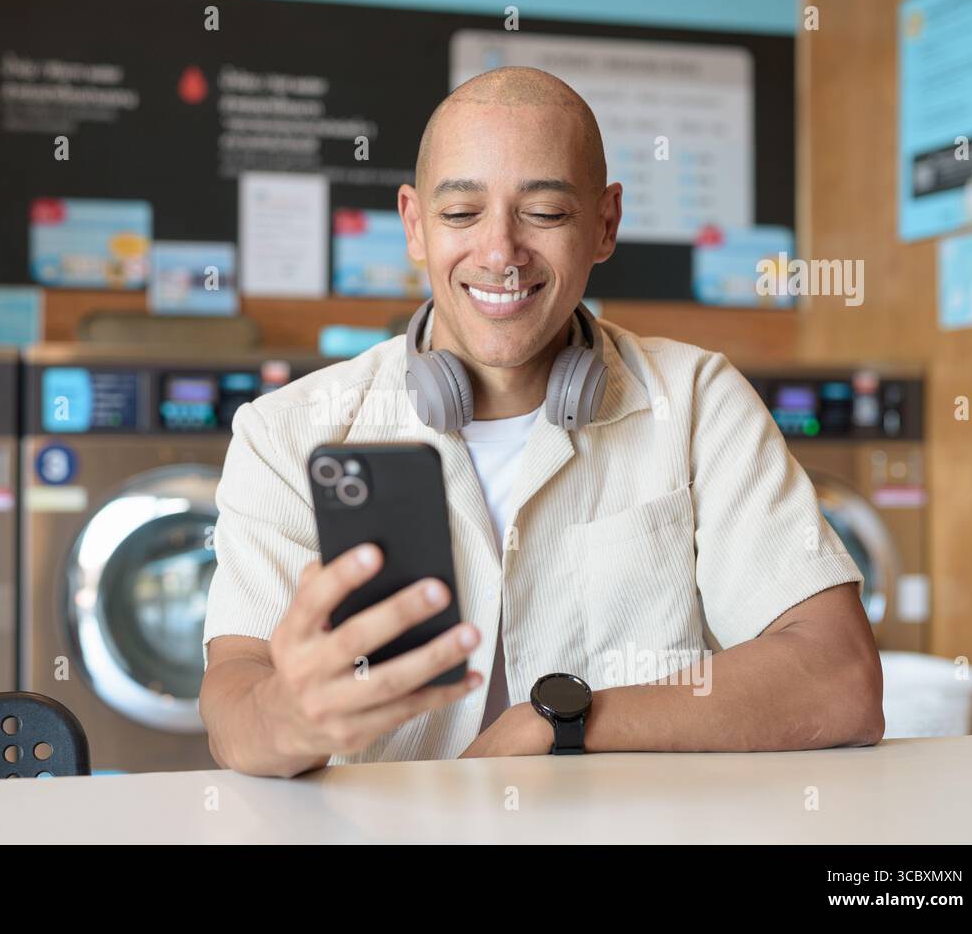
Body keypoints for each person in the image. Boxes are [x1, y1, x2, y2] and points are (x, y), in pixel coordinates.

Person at [200, 67, 883, 777]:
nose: (500, 253)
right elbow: (233, 701)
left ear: (605, 224)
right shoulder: (284, 433)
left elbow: (841, 680)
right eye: (461, 213)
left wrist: (558, 721)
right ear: (414, 225)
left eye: (546, 214)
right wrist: (284, 716)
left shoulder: (698, 400)